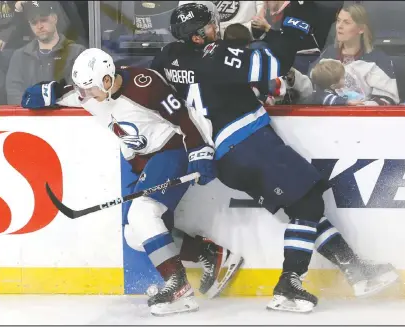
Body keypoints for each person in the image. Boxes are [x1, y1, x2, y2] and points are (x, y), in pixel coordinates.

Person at [151, 2, 399, 313]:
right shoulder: (215, 55)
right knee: (309, 204)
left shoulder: (169, 56)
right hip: (249, 144)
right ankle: (289, 285)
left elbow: (148, 84)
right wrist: (291, 30)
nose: (216, 30)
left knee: (300, 207)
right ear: (201, 34)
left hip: (227, 157)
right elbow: (271, 63)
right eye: (211, 26)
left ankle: (356, 271)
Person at [20, 48, 243, 317]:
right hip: (145, 162)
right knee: (135, 234)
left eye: (88, 89)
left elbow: (184, 117)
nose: (83, 96)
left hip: (172, 150)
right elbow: (33, 97)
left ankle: (178, 286)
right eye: (81, 89)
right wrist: (47, 92)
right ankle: (209, 253)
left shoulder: (144, 84)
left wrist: (200, 151)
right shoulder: (88, 94)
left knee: (142, 212)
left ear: (106, 80)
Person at [308, 3, 399, 106]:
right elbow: (311, 89)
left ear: (361, 29)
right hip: (331, 118)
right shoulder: (328, 55)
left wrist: (360, 107)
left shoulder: (377, 59)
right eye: (338, 21)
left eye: (346, 22)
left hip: (364, 119)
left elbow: (388, 99)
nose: (339, 26)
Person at [5, 1, 85, 104]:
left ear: (54, 18)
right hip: (28, 118)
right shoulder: (19, 56)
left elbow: (79, 94)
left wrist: (39, 102)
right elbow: (13, 96)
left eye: (43, 20)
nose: (39, 26)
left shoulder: (77, 53)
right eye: (34, 22)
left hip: (65, 118)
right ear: (29, 24)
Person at [179, 0, 264, 38]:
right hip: (208, 39)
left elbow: (261, 11)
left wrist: (252, 29)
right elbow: (184, 14)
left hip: (247, 36)